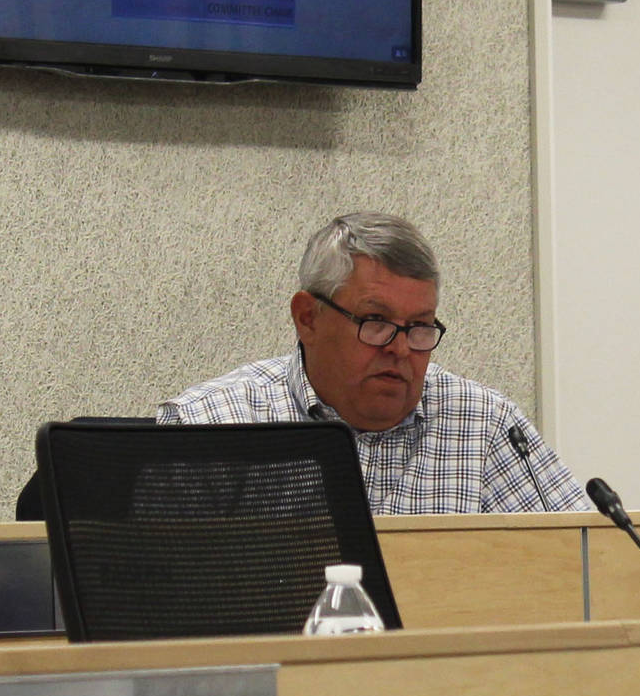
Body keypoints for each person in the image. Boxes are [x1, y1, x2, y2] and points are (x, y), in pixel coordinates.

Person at [157, 213, 587, 515]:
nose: (400, 349)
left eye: (419, 326)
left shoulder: (484, 424)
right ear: (308, 318)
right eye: (376, 322)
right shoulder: (209, 429)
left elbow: (589, 566)